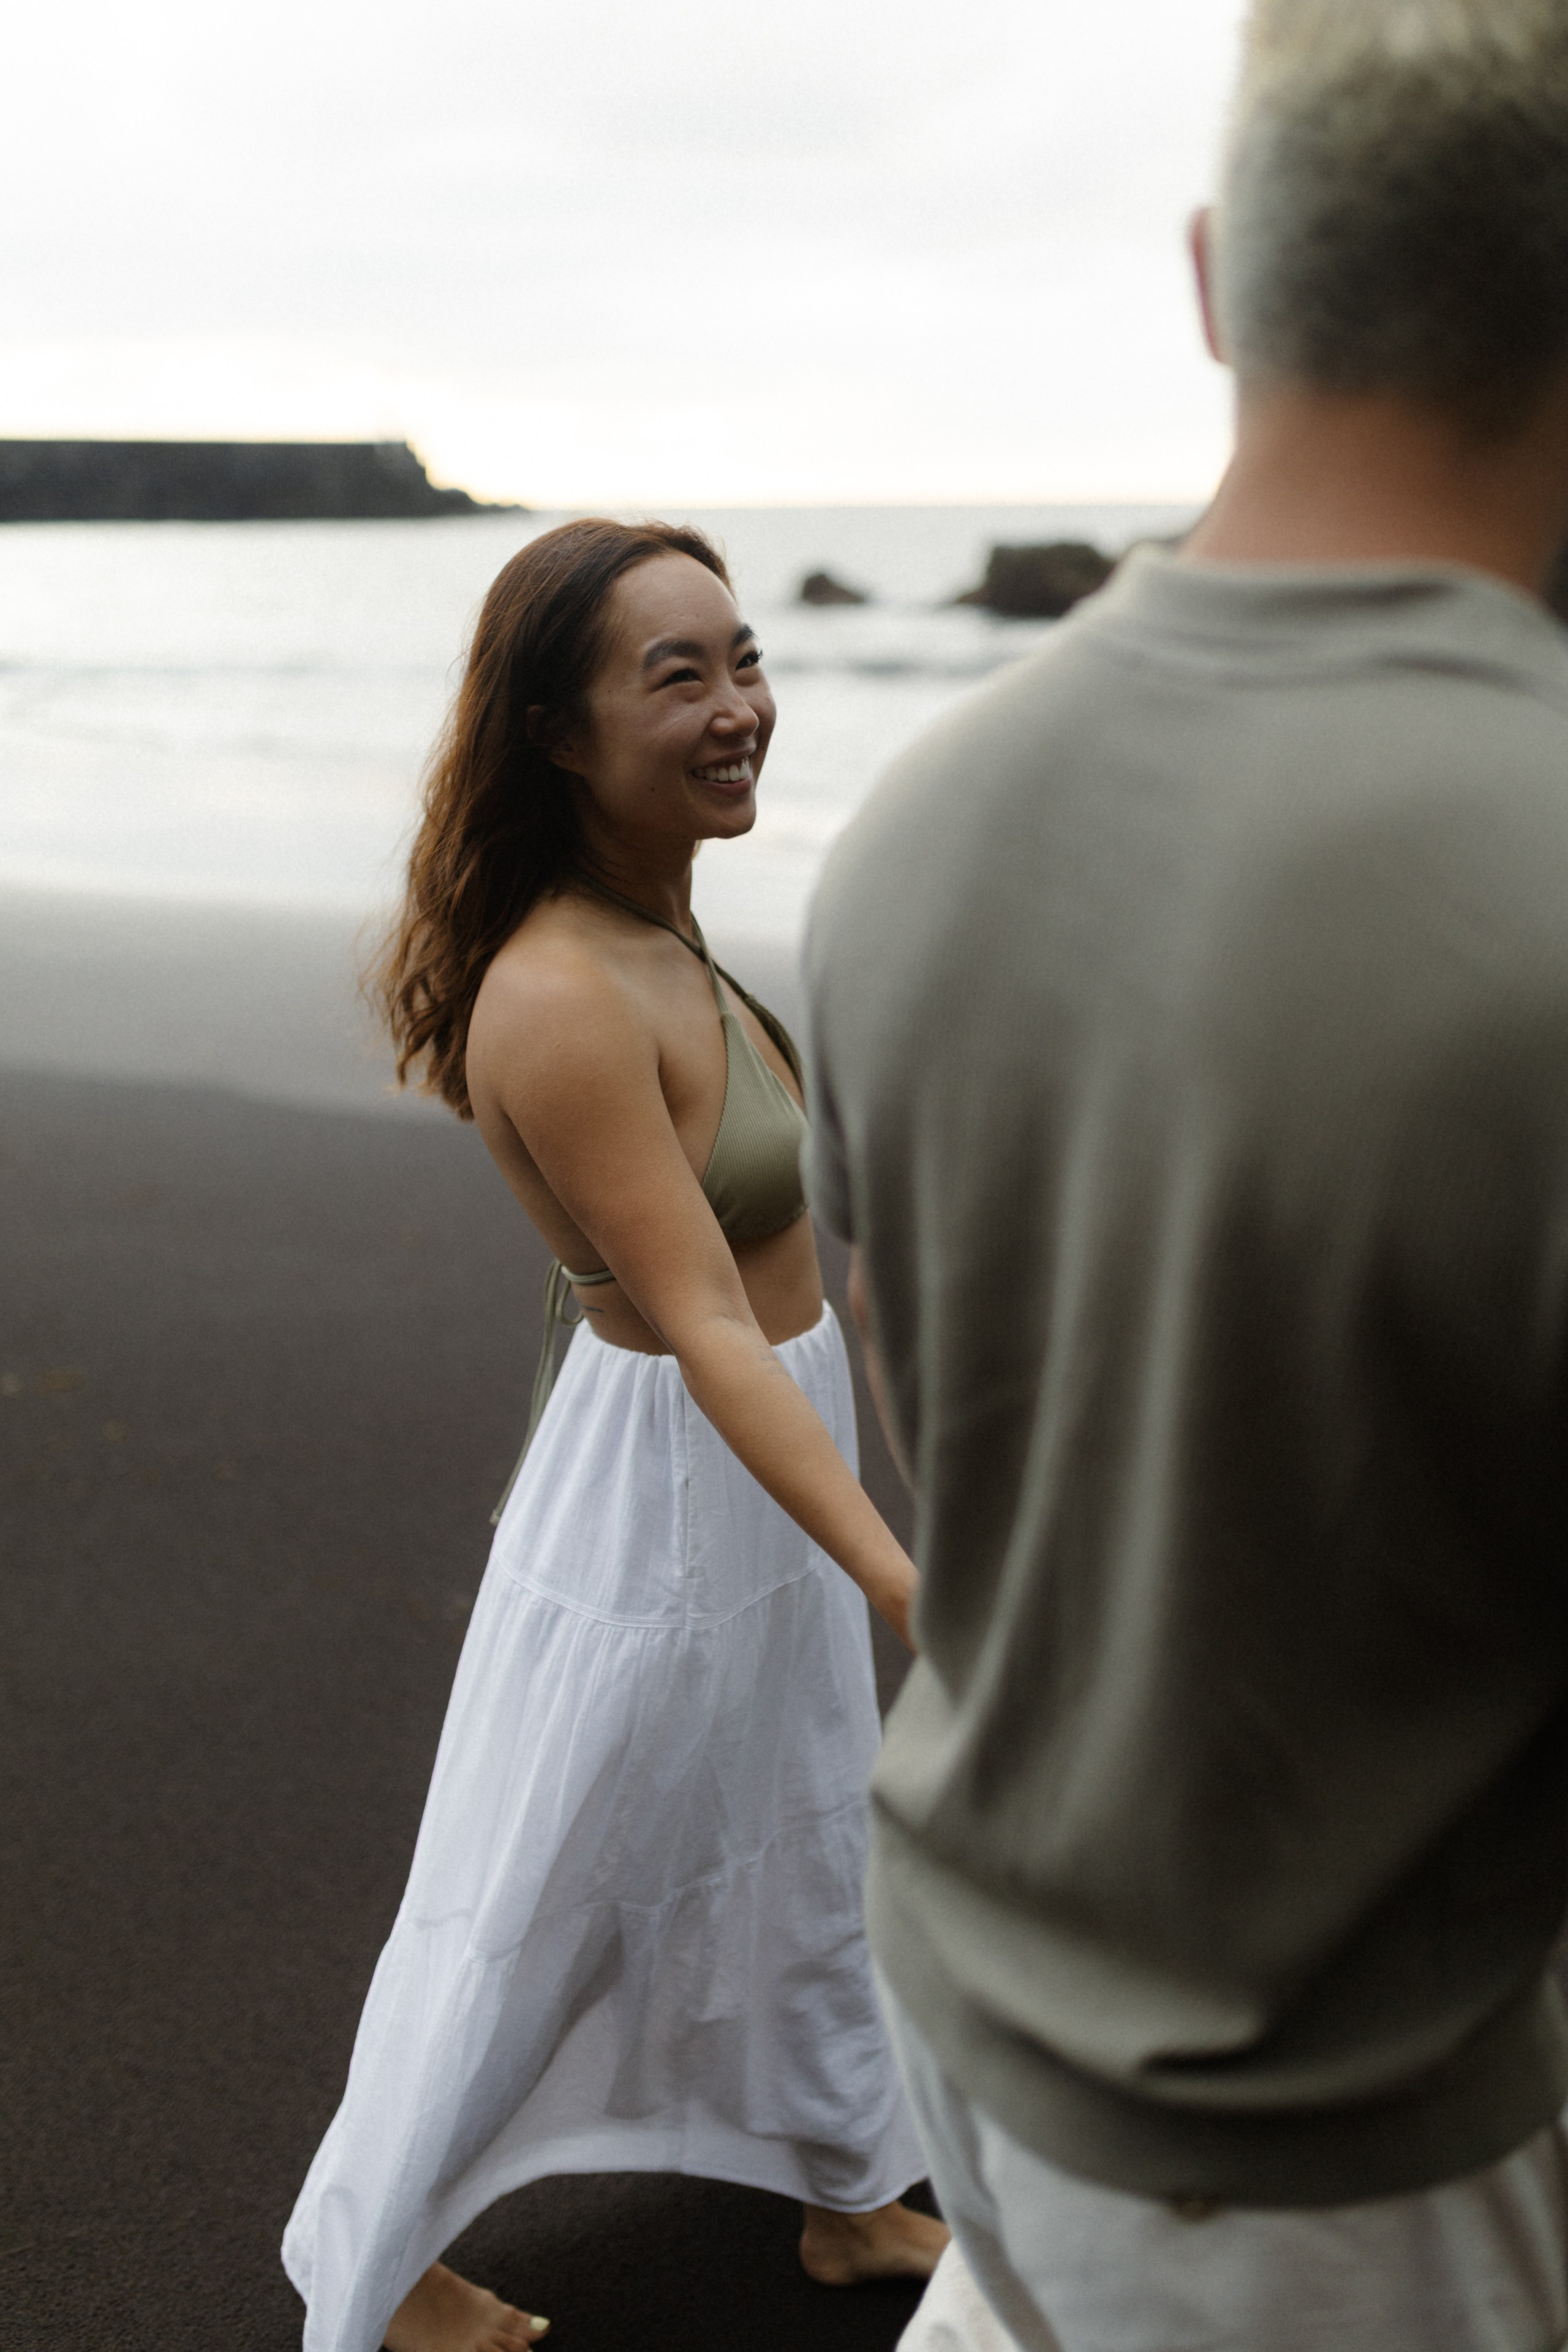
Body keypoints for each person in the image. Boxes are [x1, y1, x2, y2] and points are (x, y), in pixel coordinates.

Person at [802, 4, 1568, 2346]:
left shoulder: (909, 834)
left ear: (1222, 278)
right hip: (1367, 2155)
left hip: (985, 2016)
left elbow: (974, 1476)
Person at [282, 518, 944, 2352]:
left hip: (763, 1448)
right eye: (680, 676)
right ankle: (379, 2268)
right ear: (557, 734)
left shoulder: (663, 925)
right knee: (538, 1878)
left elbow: (784, 1265)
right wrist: (899, 1573)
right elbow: (706, 1321)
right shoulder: (562, 992)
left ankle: (844, 2192)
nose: (740, 706)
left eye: (746, 658)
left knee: (805, 1818)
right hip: (666, 1487)